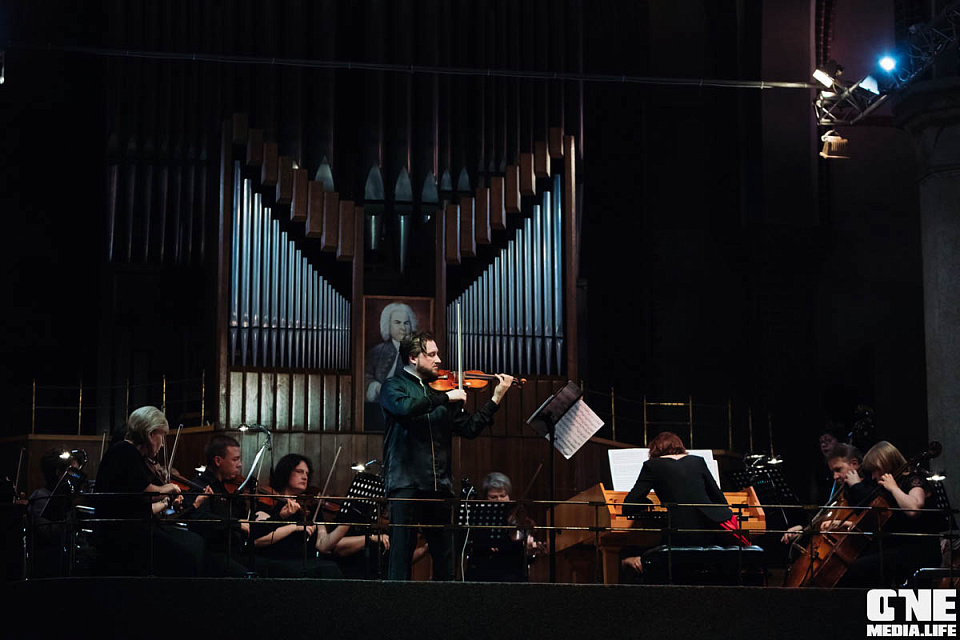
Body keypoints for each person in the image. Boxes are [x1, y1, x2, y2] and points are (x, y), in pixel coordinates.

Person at [380, 330, 514, 580]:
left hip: (439, 485)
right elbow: (405, 408)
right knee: (400, 558)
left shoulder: (443, 392)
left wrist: (496, 397)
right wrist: (444, 397)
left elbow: (469, 428)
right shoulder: (394, 386)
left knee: (445, 560)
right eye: (431, 354)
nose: (439, 359)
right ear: (412, 358)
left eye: (437, 353)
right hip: (406, 484)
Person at [93, 406, 205, 576]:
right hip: (123, 533)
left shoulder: (128, 452)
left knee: (195, 543)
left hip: (132, 528)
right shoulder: (125, 450)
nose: (162, 443)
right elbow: (145, 492)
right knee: (188, 552)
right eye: (162, 436)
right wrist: (169, 488)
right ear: (151, 434)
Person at [836, 440, 943, 586]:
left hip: (917, 550)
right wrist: (843, 523)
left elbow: (913, 509)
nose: (873, 476)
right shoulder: (889, 486)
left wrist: (894, 488)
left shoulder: (914, 479)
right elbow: (887, 521)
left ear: (884, 465)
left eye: (875, 470)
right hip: (897, 547)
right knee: (854, 565)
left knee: (858, 569)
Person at [622, 431, 747, 547]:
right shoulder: (697, 461)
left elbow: (629, 505)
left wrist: (647, 503)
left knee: (636, 549)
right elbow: (720, 499)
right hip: (710, 529)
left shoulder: (652, 465)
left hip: (680, 533)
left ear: (654, 450)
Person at [251, 453, 350, 578]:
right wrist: (294, 527)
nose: (305, 477)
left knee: (331, 569)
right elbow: (258, 540)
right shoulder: (270, 502)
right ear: (285, 472)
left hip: (306, 562)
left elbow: (323, 544)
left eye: (307, 474)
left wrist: (347, 522)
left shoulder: (311, 506)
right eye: (299, 472)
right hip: (276, 561)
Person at [185, 435, 250, 576]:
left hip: (234, 553)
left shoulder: (227, 487)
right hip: (211, 555)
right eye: (235, 459)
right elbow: (199, 518)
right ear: (218, 461)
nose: (240, 464)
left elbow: (243, 519)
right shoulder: (200, 486)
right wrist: (236, 524)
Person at [465, 472, 541, 582]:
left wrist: (530, 551)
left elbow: (528, 559)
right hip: (482, 572)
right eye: (493, 497)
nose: (499, 500)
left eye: (503, 496)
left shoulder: (520, 518)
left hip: (512, 574)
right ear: (485, 498)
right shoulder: (477, 518)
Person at [365, 302, 418, 403]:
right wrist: (376, 387)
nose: (403, 328)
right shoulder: (375, 352)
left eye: (406, 323)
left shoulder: (418, 352)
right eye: (397, 322)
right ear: (388, 325)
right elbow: (365, 377)